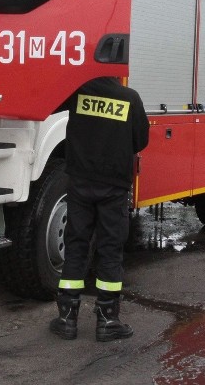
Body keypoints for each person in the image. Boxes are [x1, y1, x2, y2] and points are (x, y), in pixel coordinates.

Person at [50, 77, 149, 342]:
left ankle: (66, 319)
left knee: (76, 245)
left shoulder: (77, 92)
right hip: (114, 187)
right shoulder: (130, 97)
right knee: (110, 249)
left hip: (80, 183)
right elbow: (141, 140)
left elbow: (48, 104)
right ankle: (107, 320)